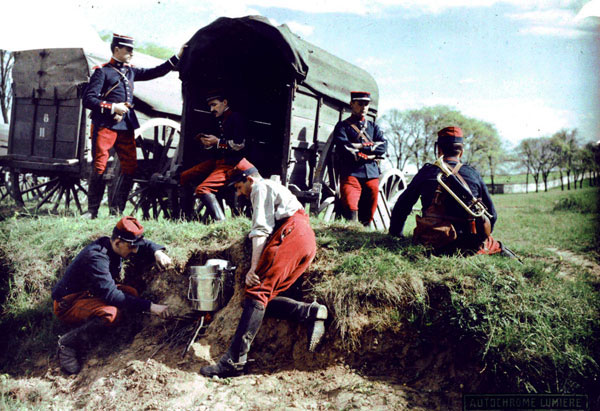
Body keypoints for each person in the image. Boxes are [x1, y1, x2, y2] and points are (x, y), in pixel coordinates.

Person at [200, 159, 327, 378]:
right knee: (262, 299)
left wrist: (254, 268)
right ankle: (310, 312)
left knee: (257, 292)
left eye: (239, 188)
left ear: (248, 179)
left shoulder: (260, 186)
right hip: (305, 239)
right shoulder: (273, 187)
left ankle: (234, 362)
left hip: (292, 234)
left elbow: (260, 231)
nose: (240, 194)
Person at [82, 33, 186, 219]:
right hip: (105, 125)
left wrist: (177, 56)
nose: (131, 53)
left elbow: (156, 71)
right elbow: (89, 99)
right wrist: (113, 106)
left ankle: (117, 210)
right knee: (99, 167)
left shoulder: (130, 71)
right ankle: (92, 211)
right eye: (128, 50)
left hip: (126, 126)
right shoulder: (102, 71)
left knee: (130, 167)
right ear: (116, 49)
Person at [51, 216, 172, 374]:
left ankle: (120, 328)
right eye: (131, 247)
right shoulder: (96, 257)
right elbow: (112, 296)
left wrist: (157, 252)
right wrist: (151, 307)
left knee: (131, 293)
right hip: (68, 303)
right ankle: (68, 343)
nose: (135, 251)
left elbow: (143, 243)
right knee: (110, 314)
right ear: (117, 243)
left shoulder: (115, 245)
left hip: (91, 293)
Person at [389, 126, 503, 255]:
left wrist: (396, 234)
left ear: (439, 149)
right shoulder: (473, 174)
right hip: (469, 245)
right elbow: (492, 214)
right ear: (462, 151)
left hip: (432, 241)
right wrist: (481, 239)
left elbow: (402, 205)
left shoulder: (427, 172)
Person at [179, 91, 247, 221]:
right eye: (210, 106)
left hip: (231, 164)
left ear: (225, 103)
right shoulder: (219, 119)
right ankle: (186, 217)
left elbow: (239, 145)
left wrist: (217, 142)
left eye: (214, 105)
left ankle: (221, 222)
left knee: (203, 189)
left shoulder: (236, 118)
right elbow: (217, 144)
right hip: (217, 161)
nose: (212, 109)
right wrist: (206, 142)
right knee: (185, 176)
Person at [333, 91, 387, 225]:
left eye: (366, 104)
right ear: (352, 104)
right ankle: (352, 232)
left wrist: (360, 146)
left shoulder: (373, 127)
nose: (363, 107)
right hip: (351, 172)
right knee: (351, 206)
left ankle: (364, 233)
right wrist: (371, 151)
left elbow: (383, 146)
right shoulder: (342, 126)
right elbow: (344, 148)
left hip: (371, 173)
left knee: (370, 206)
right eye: (360, 104)